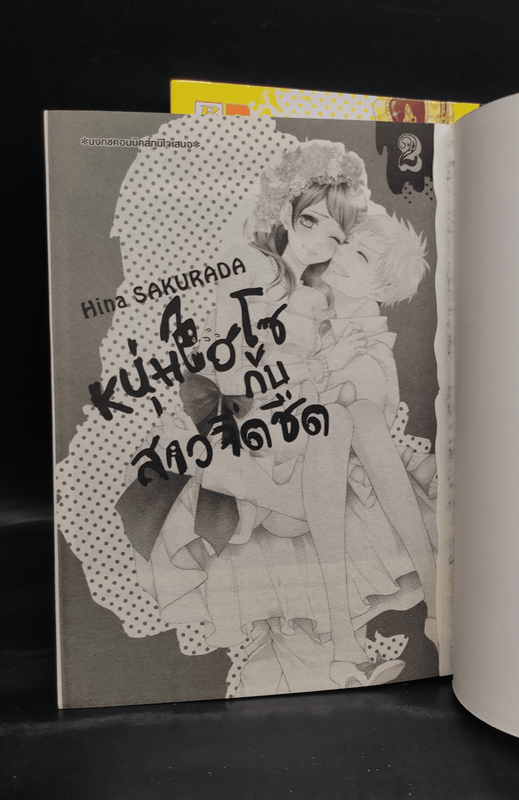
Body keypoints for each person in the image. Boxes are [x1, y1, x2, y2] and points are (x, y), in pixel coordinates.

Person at [125, 139, 438, 694]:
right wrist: (317, 369)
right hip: (251, 440)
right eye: (309, 220)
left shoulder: (314, 293)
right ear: (285, 209)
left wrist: (333, 368)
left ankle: (393, 620)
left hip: (302, 441)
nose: (318, 242)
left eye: (335, 238)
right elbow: (238, 380)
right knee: (340, 419)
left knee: (358, 417)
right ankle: (352, 638)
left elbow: (352, 380)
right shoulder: (252, 270)